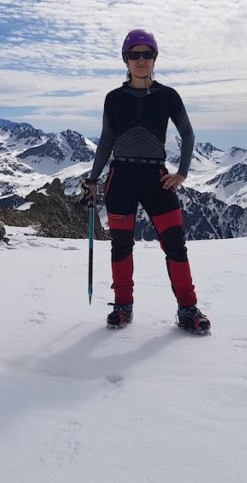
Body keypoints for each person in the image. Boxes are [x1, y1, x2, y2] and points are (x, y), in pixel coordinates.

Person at [83, 29, 211, 335]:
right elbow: (106, 140)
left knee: (175, 244)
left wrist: (182, 173)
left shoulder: (168, 96)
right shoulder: (113, 99)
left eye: (147, 54)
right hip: (121, 177)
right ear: (125, 59)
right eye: (135, 54)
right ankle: (122, 306)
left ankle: (187, 308)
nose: (142, 60)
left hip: (157, 178)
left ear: (155, 58)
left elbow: (188, 133)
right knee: (121, 245)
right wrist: (92, 178)